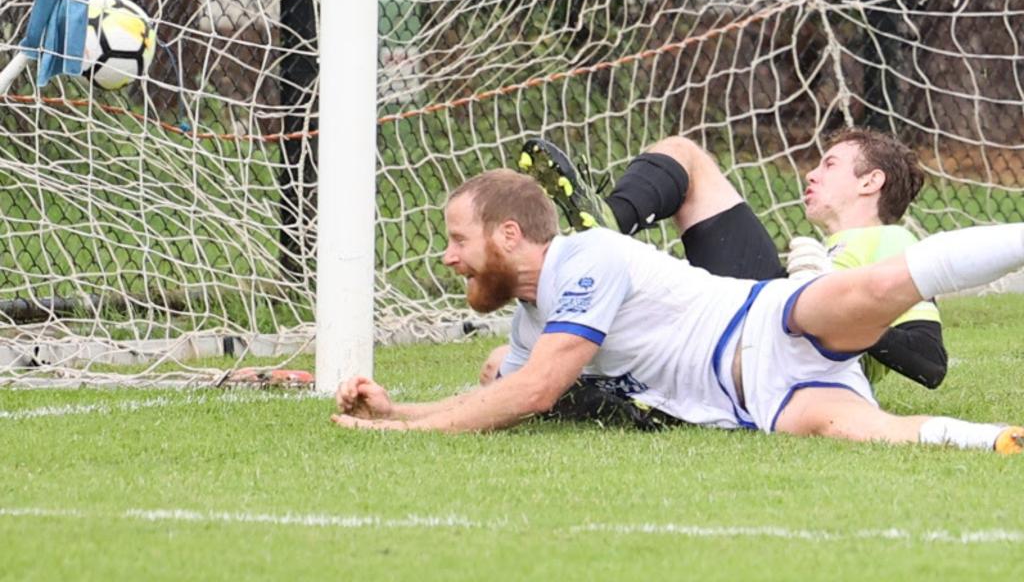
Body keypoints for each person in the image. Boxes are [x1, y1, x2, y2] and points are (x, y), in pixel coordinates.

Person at [332, 167, 1024, 454]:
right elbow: (507, 393)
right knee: (875, 433)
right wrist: (398, 413)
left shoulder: (589, 256)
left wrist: (404, 436)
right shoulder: (530, 321)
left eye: (459, 240)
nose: (450, 259)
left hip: (767, 319)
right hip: (759, 399)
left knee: (877, 289)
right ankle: (1001, 438)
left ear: (509, 235)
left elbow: (537, 389)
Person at [477, 128, 946, 425]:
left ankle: (603, 236)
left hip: (797, 358)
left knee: (687, 156)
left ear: (871, 182)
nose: (811, 174)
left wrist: (833, 303)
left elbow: (928, 363)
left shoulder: (891, 243)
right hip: (759, 323)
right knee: (502, 364)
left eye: (830, 164)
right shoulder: (825, 250)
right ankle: (604, 231)